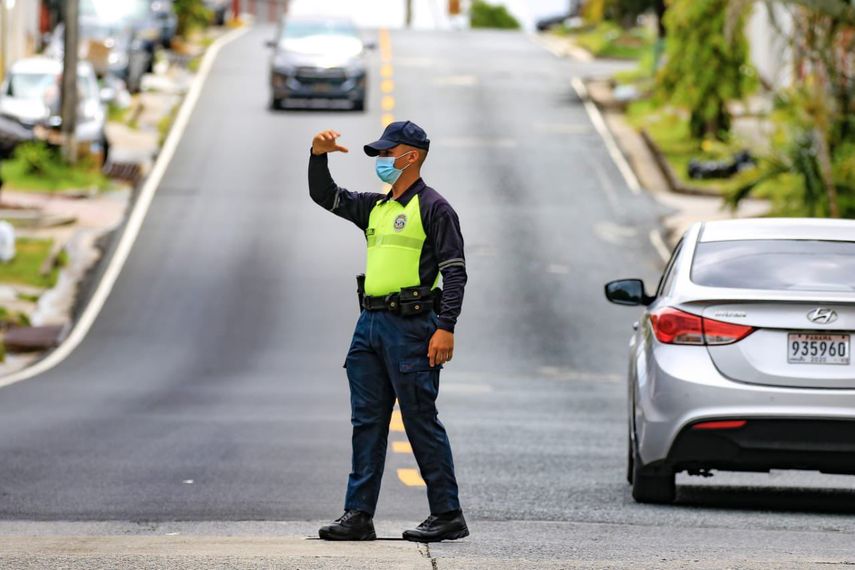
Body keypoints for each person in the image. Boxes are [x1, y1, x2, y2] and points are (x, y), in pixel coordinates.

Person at [308, 121, 469, 543]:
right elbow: (325, 196)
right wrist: (317, 156)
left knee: (419, 420)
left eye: (386, 153)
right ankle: (358, 515)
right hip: (369, 327)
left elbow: (454, 274)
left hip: (414, 328)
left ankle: (447, 513)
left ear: (410, 156)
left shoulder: (435, 208)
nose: (380, 161)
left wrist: (445, 328)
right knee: (367, 422)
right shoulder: (376, 208)